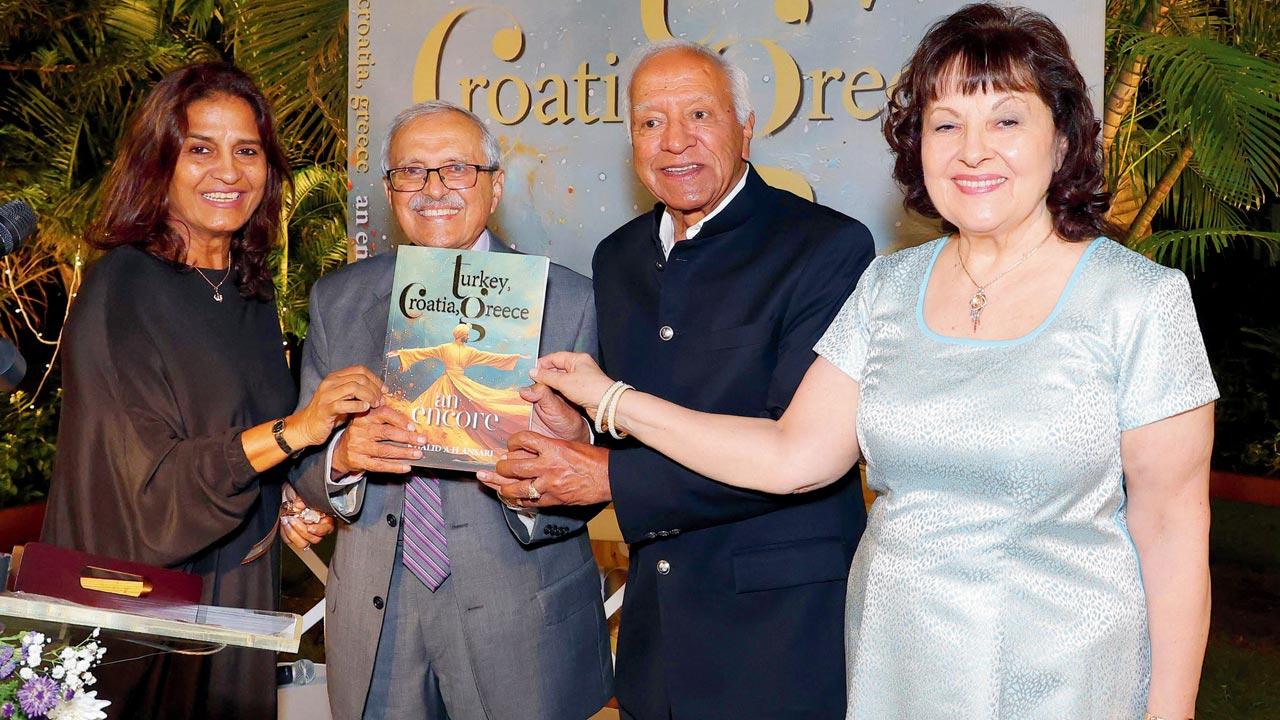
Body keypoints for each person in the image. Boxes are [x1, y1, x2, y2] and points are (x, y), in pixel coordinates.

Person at [525, 6, 1219, 719]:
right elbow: (793, 456)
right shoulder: (889, 288)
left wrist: (1171, 712)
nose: (972, 151)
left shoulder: (1142, 301)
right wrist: (608, 400)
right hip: (898, 670)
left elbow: (1171, 532)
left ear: (1064, 137)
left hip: (1066, 681)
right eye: (945, 124)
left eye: (1006, 121)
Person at [479, 40, 875, 719]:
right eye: (650, 122)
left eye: (699, 115)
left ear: (746, 127)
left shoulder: (826, 248)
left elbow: (797, 450)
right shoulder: (619, 258)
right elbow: (633, 419)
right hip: (655, 643)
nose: (675, 142)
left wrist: (609, 475)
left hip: (780, 640)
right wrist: (575, 431)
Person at [41, 62, 381, 720]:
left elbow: (234, 438)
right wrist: (298, 430)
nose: (228, 172)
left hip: (231, 608)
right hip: (136, 622)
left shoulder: (250, 296)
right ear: (160, 161)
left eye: (247, 150)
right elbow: (148, 490)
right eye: (200, 148)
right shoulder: (123, 289)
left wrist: (285, 499)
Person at [288, 100, 611, 720]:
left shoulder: (569, 300)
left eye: (457, 169)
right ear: (390, 190)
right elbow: (302, 458)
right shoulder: (340, 300)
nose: (433, 189)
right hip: (377, 620)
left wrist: (554, 461)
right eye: (411, 172)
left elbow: (605, 472)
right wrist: (341, 460)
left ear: (494, 187)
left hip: (522, 614)